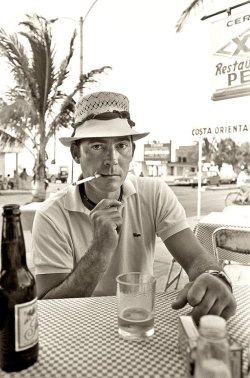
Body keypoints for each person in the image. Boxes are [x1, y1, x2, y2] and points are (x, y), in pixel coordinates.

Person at [32, 91, 236, 323]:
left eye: (121, 145)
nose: (113, 159)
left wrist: (214, 276)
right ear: (76, 154)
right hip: (77, 325)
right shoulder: (51, 215)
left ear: (132, 151)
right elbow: (49, 307)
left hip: (138, 319)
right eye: (98, 146)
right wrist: (100, 249)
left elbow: (196, 258)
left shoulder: (154, 193)